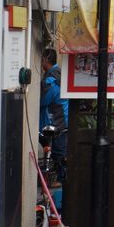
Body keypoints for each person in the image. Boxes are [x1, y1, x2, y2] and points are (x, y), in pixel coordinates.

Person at [39, 49, 68, 183]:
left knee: (58, 156)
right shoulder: (60, 74)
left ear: (45, 60)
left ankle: (62, 184)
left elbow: (43, 100)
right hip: (64, 120)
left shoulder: (51, 80)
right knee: (59, 155)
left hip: (57, 122)